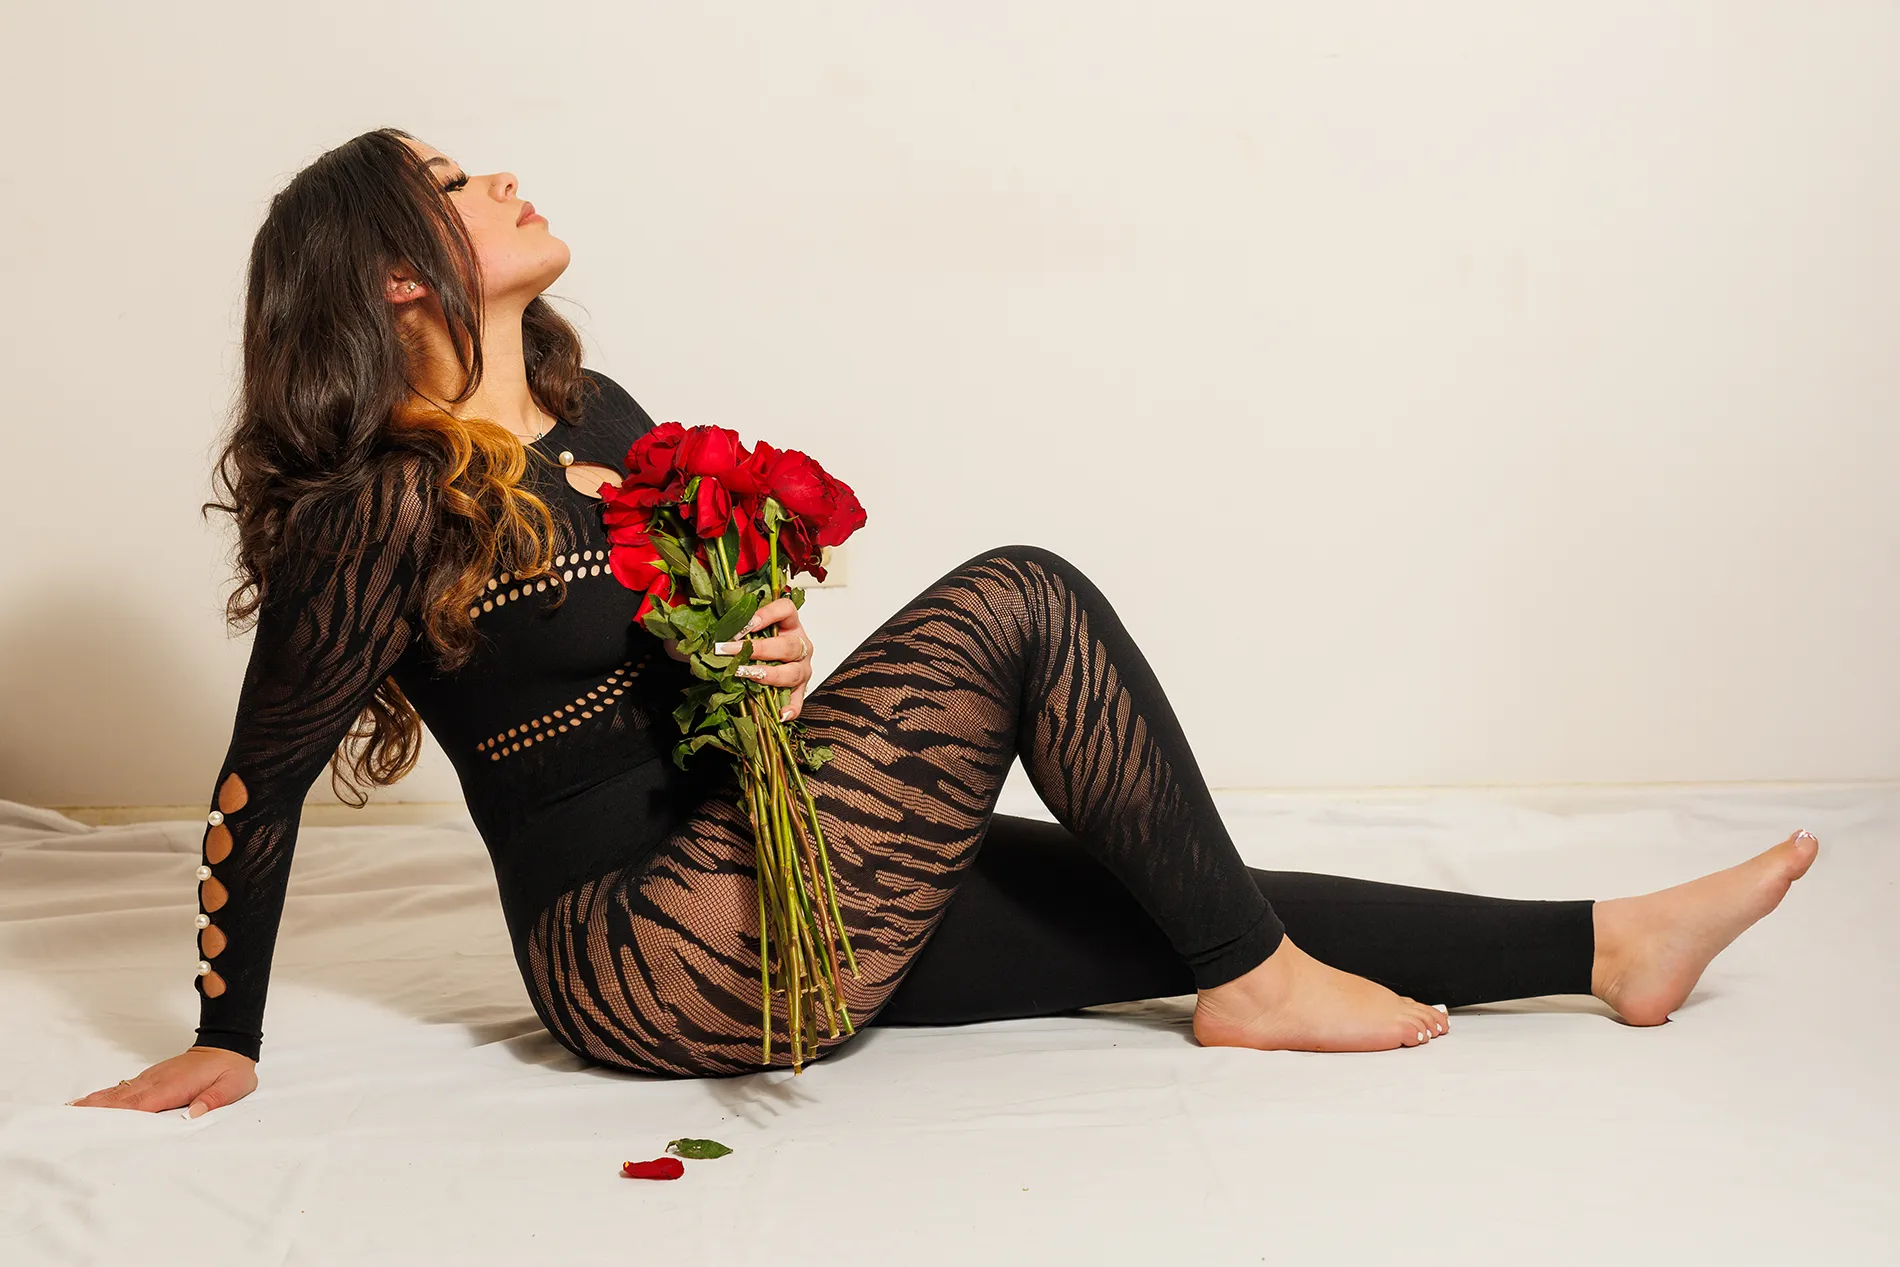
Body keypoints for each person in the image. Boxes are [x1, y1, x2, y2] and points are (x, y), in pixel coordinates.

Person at [69, 129, 1819, 1118]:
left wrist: (755, 664)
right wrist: (229, 1033)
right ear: (394, 274)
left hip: (752, 862)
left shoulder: (599, 416)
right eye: (457, 181)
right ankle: (1262, 988)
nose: (503, 174)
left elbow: (675, 684)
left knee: (1134, 875)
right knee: (1022, 603)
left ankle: (1605, 944)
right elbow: (255, 794)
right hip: (641, 952)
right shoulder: (382, 504)